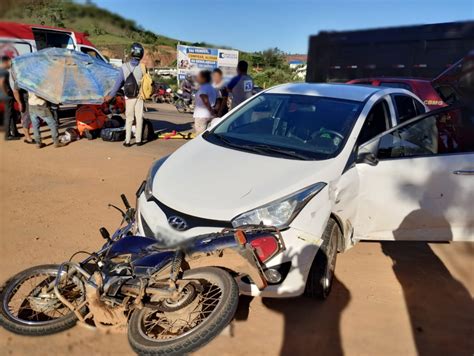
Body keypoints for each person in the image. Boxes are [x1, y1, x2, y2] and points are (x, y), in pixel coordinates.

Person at [105, 42, 145, 147]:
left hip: (129, 97)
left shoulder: (124, 67)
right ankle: (138, 140)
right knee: (139, 118)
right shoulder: (143, 68)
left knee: (129, 118)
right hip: (140, 97)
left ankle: (127, 141)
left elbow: (118, 84)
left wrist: (111, 95)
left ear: (132, 53)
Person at [9, 64, 34, 144]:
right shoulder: (20, 79)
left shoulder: (29, 77)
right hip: (25, 101)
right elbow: (15, 91)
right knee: (26, 118)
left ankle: (31, 136)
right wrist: (20, 103)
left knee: (31, 118)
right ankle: (27, 137)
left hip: (31, 100)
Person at [0, 56, 21, 140]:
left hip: (7, 95)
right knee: (9, 115)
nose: (11, 64)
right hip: (6, 96)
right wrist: (6, 94)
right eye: (9, 62)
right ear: (5, 62)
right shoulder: (4, 72)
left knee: (12, 114)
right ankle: (8, 134)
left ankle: (15, 132)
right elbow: (1, 83)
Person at [193, 70, 217, 134]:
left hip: (201, 115)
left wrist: (210, 110)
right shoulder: (212, 87)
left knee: (200, 136)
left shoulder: (205, 87)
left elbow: (204, 98)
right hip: (208, 115)